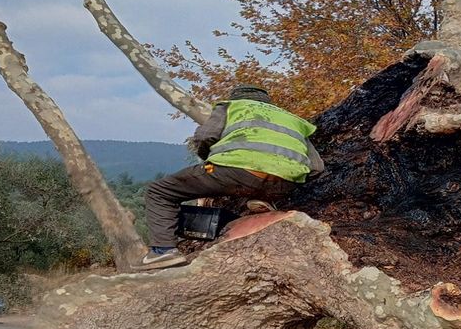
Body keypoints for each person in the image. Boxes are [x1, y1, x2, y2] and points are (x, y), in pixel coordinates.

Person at [139, 84, 324, 269]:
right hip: (285, 183)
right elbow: (317, 167)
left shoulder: (230, 106)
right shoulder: (293, 120)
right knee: (256, 181)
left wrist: (213, 161)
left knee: (159, 191)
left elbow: (205, 137)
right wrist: (285, 178)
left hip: (233, 171)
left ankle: (162, 251)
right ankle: (262, 199)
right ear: (268, 102)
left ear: (236, 98)